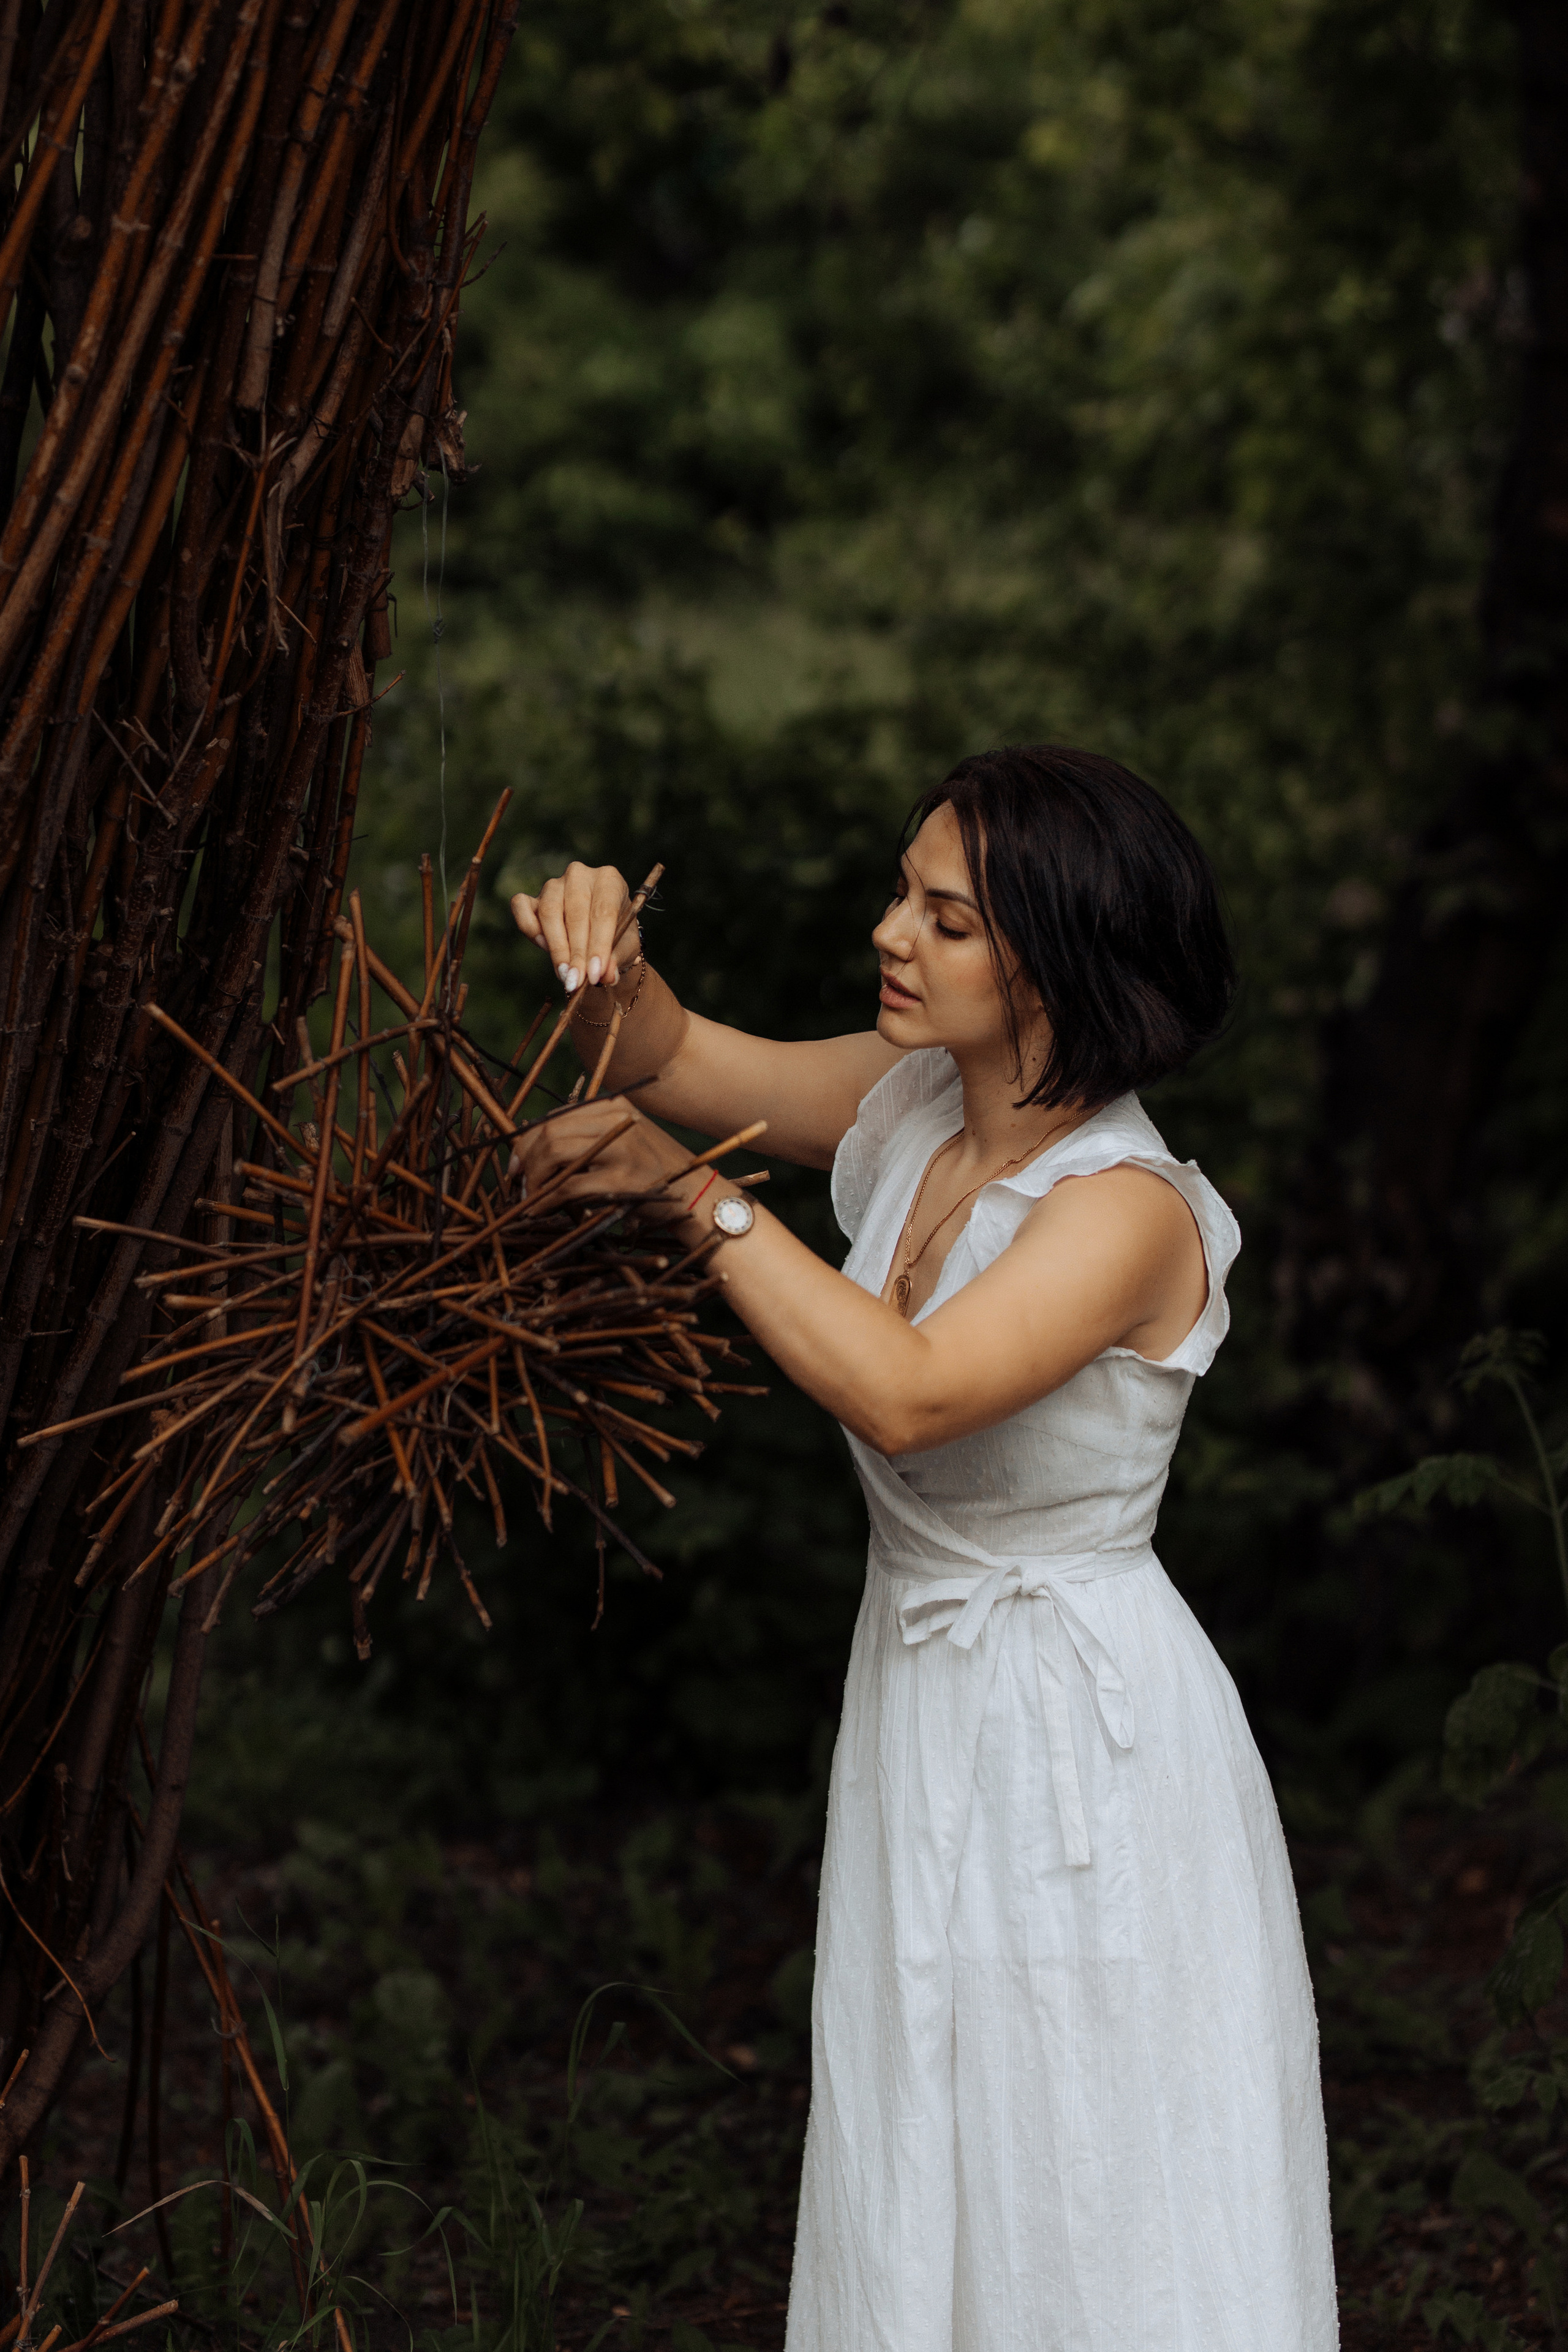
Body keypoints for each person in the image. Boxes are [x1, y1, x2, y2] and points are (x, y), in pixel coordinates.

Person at [510, 743, 1338, 2352]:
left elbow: (913, 1393)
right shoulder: (912, 1113)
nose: (895, 933)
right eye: (907, 894)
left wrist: (697, 1201)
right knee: (932, 2127)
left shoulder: (1127, 1207)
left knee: (1083, 2154)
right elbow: (663, 1052)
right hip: (929, 1697)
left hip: (1085, 1743)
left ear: (1058, 959)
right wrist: (600, 959)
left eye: (947, 919)